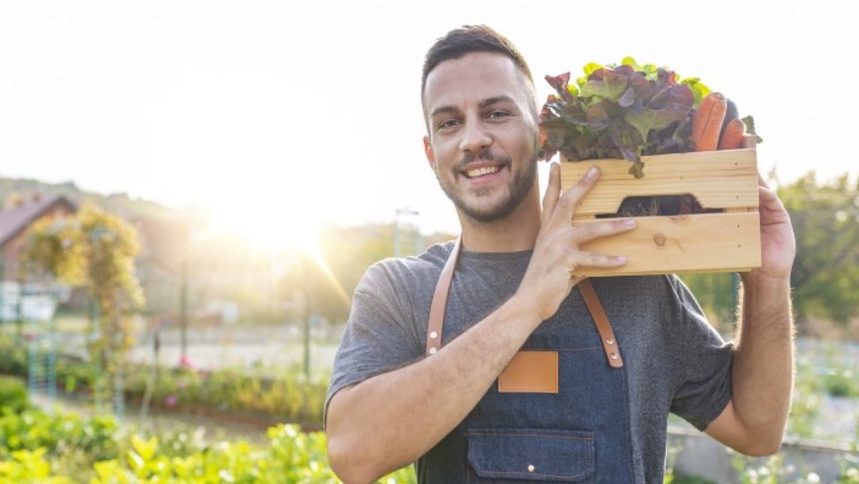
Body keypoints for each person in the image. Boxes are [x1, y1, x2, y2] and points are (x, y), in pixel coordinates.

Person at [325, 25, 796, 484]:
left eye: (496, 113)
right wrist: (528, 304)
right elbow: (353, 454)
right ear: (432, 152)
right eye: (450, 122)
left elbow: (756, 429)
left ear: (542, 133)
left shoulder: (633, 276)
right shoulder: (400, 289)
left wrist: (767, 282)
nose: (472, 139)